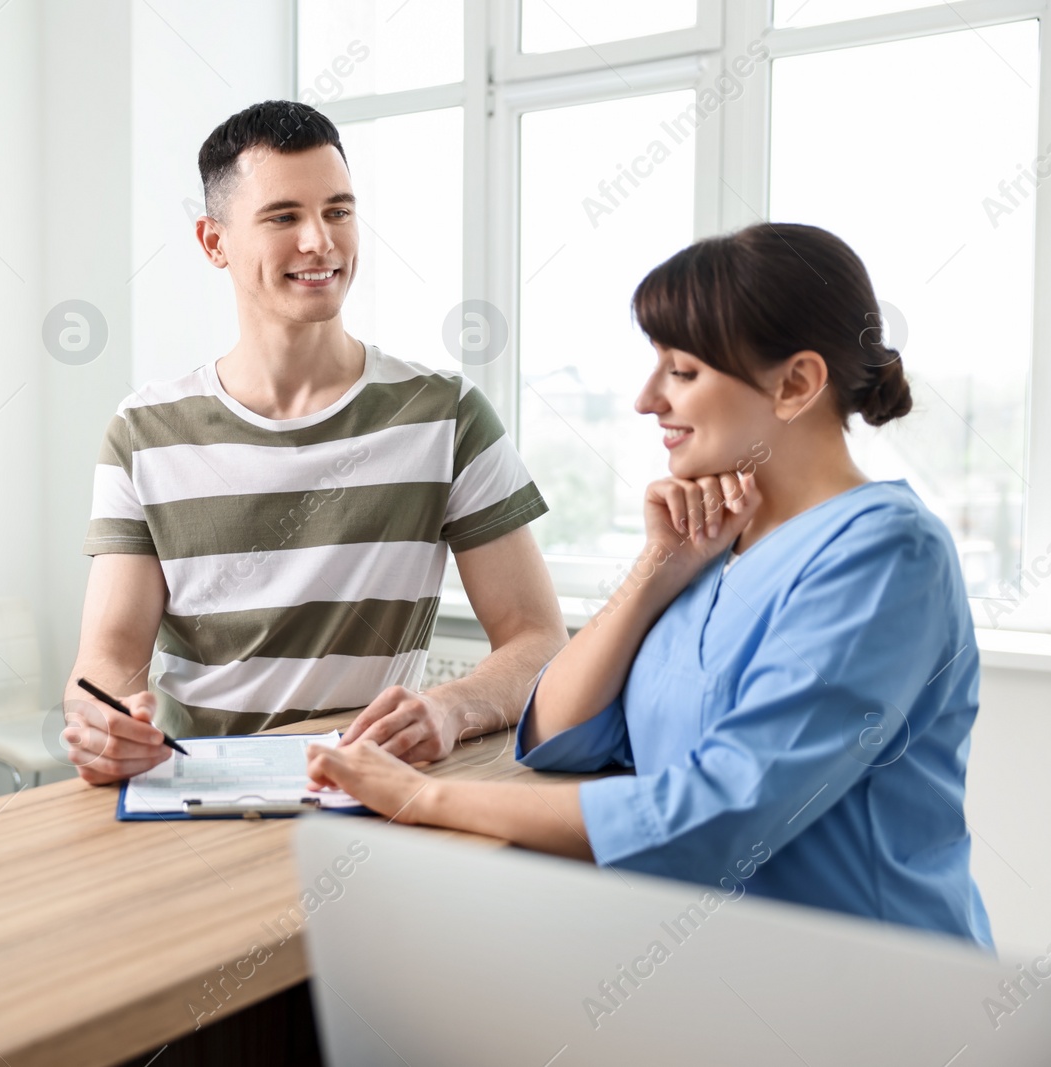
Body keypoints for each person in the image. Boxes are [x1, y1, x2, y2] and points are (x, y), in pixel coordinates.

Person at [309, 222, 994, 946]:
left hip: (879, 993)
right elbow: (558, 734)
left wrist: (425, 795)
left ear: (795, 383)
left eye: (683, 371)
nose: (645, 399)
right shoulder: (715, 549)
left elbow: (722, 812)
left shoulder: (887, 552)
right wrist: (656, 570)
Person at [62, 100, 569, 785]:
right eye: (283, 217)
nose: (320, 242)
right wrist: (105, 724)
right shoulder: (144, 431)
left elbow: (538, 638)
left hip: (365, 790)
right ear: (214, 243)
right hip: (193, 794)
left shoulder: (445, 416)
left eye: (338, 211)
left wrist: (450, 707)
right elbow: (108, 660)